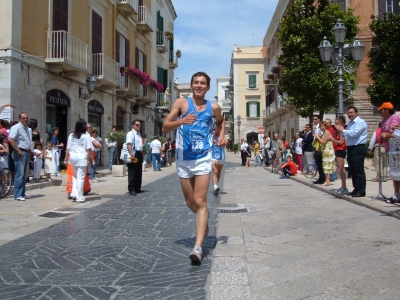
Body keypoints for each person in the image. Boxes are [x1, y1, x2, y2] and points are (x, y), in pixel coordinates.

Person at [162, 71, 226, 264]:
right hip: (184, 158)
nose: (199, 85)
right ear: (191, 86)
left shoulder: (213, 107)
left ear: (207, 88)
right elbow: (165, 127)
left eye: (203, 83)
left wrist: (221, 135)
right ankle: (203, 221)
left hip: (203, 158)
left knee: (200, 200)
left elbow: (221, 121)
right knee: (190, 202)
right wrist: (182, 121)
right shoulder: (181, 104)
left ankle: (197, 248)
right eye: (196, 82)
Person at [335, 106, 368, 197]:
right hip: (351, 148)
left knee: (358, 169)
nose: (350, 114)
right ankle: (356, 188)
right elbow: (346, 135)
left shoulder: (360, 122)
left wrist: (343, 130)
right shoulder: (350, 123)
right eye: (348, 113)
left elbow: (354, 133)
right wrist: (342, 130)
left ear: (356, 113)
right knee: (352, 170)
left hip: (358, 147)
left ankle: (361, 190)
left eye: (351, 113)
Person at [64, 119, 93, 203]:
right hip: (81, 158)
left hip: (73, 158)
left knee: (75, 176)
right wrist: (89, 159)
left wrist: (66, 158)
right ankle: (79, 196)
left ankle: (74, 193)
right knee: (80, 178)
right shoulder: (86, 136)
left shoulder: (71, 135)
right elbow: (89, 149)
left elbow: (68, 148)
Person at [377, 102, 400, 203]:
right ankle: (396, 194)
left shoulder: (394, 118)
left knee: (397, 173)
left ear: (386, 110)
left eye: (382, 109)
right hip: (390, 150)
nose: (380, 111)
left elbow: (395, 134)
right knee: (394, 174)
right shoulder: (384, 120)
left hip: (396, 150)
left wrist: (386, 135)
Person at [8, 112, 33, 201]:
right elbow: (11, 139)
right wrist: (18, 150)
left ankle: (22, 193)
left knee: (25, 174)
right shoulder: (16, 127)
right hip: (20, 152)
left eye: (26, 118)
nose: (25, 120)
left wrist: (30, 150)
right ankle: (17, 194)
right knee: (19, 174)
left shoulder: (27, 128)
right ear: (20, 119)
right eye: (23, 118)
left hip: (26, 152)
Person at [313, 121, 335, 186]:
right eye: (320, 126)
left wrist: (318, 137)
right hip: (325, 151)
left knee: (327, 166)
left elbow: (323, 142)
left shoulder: (327, 132)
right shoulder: (324, 133)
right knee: (326, 166)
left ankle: (328, 181)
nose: (321, 128)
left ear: (326, 126)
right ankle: (327, 180)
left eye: (322, 126)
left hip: (328, 151)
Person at [331, 116, 349, 195]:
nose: (336, 125)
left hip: (341, 150)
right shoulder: (338, 132)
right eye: (335, 124)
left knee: (341, 169)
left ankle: (344, 187)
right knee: (340, 169)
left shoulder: (342, 132)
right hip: (338, 150)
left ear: (342, 124)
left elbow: (341, 142)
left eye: (337, 124)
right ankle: (343, 186)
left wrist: (332, 139)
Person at [126, 120, 143, 196]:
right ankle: (131, 189)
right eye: (137, 125)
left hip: (139, 153)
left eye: (140, 125)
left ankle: (137, 187)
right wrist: (131, 154)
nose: (139, 126)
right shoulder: (130, 133)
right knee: (132, 171)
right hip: (134, 153)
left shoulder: (139, 134)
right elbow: (129, 144)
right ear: (133, 125)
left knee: (139, 171)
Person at [312, 115, 326, 184]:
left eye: (315, 119)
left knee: (320, 164)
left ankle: (322, 178)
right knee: (318, 164)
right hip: (316, 147)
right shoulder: (317, 127)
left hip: (319, 147)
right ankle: (321, 177)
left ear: (319, 119)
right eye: (313, 119)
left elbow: (320, 137)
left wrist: (316, 137)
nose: (314, 120)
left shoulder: (319, 128)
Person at [211, 127, 225, 194]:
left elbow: (225, 143)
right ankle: (215, 186)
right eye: (214, 129)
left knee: (219, 172)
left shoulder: (221, 136)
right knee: (215, 171)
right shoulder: (210, 137)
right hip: (213, 156)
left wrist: (221, 143)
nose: (215, 131)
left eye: (216, 129)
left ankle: (216, 185)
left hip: (221, 156)